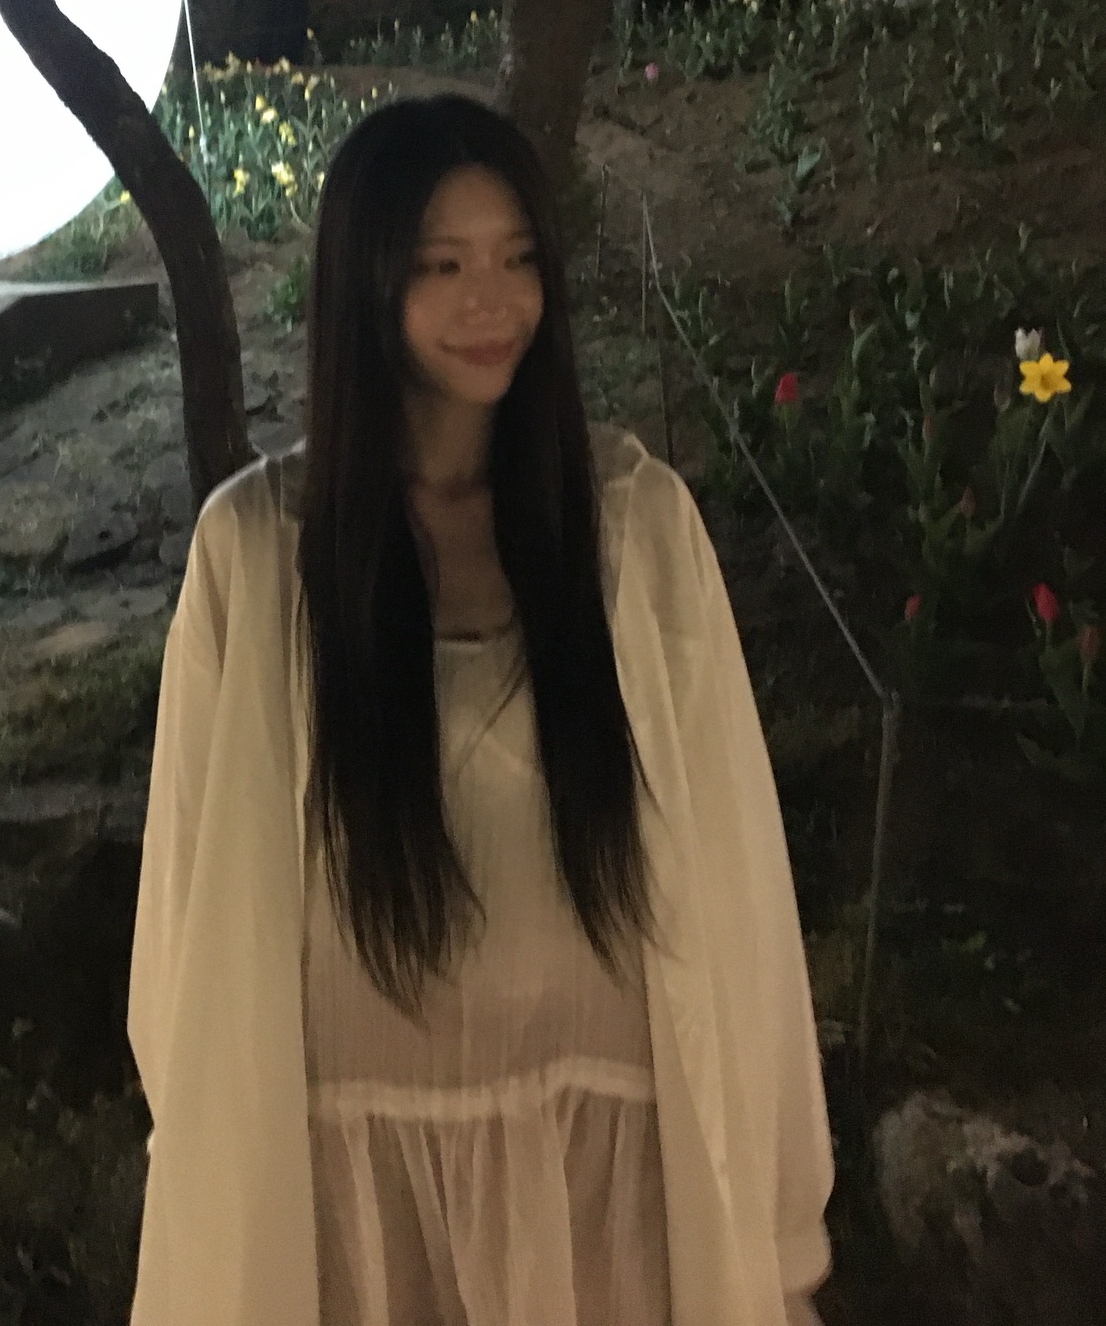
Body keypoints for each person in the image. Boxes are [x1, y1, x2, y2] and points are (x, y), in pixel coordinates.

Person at [126, 94, 835, 1326]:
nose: (490, 302)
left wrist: (775, 1202)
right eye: (441, 266)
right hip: (353, 1175)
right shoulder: (259, 550)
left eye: (516, 260)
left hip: (609, 1156)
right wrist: (203, 1164)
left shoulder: (633, 527)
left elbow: (734, 863)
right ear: (365, 285)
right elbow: (193, 895)